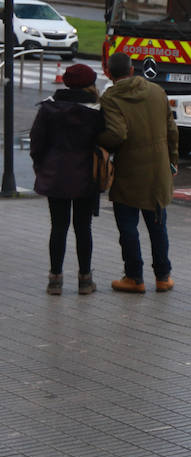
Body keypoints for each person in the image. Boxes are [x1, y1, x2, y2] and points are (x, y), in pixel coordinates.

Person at [100, 51, 179, 294]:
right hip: (158, 169)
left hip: (129, 170)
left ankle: (134, 277)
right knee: (157, 225)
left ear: (109, 73)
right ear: (133, 70)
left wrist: (98, 142)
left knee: (128, 226)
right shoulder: (157, 92)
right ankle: (163, 277)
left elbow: (117, 134)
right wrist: (172, 162)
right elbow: (172, 129)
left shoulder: (111, 97)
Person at [31, 63, 105, 296]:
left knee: (58, 227)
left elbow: (37, 142)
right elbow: (106, 139)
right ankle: (85, 279)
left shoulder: (49, 108)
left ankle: (55, 279)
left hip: (56, 174)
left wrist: (42, 165)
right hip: (86, 175)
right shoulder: (96, 110)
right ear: (90, 84)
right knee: (84, 227)